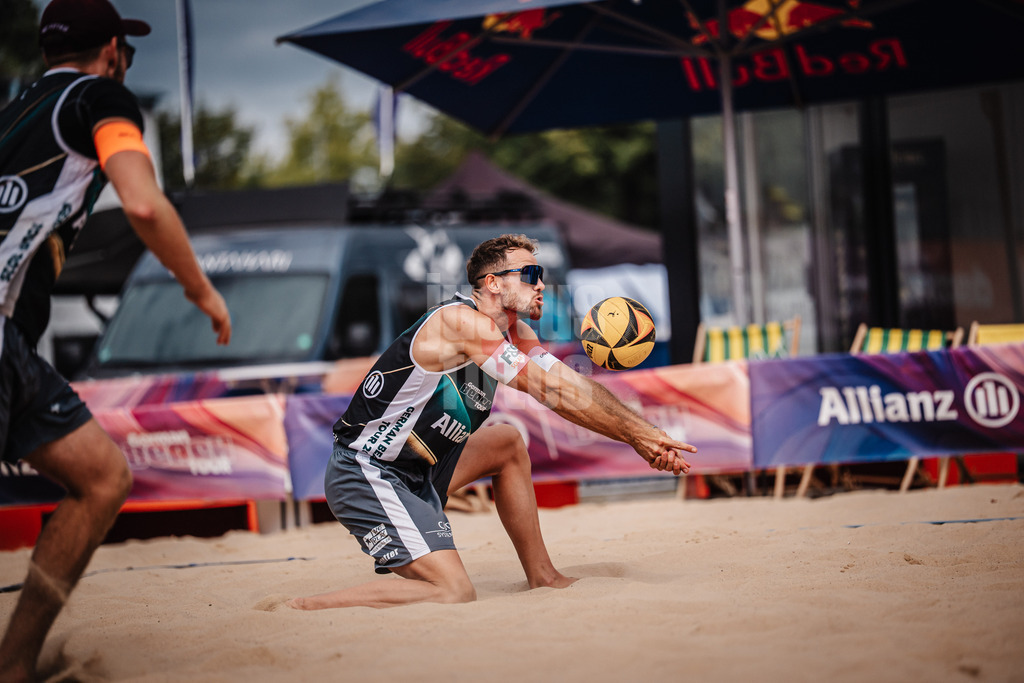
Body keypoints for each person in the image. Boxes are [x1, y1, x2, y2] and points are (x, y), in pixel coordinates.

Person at [0, 1, 231, 679]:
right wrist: (200, 289)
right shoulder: (102, 97)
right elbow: (142, 202)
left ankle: (15, 665)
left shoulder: (14, 114)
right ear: (111, 50)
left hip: (13, 346)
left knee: (102, 478)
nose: (126, 62)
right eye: (124, 50)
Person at [287, 233, 694, 610]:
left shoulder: (516, 335)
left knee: (506, 442)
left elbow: (571, 387)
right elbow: (549, 390)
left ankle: (543, 576)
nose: (540, 285)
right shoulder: (459, 324)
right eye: (531, 274)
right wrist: (639, 437)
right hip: (367, 470)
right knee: (454, 591)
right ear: (494, 283)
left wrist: (647, 435)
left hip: (419, 471)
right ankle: (304, 607)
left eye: (542, 275)